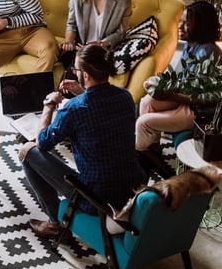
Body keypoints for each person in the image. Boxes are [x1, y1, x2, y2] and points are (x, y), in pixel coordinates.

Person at [18, 44, 146, 239]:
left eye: (76, 69)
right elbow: (100, 110)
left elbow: (42, 142)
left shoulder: (75, 109)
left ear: (85, 75)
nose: (74, 72)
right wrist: (81, 92)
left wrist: (49, 105)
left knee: (27, 150)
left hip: (96, 198)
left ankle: (55, 224)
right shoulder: (125, 97)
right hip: (130, 190)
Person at [135, 0, 222, 153]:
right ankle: (153, 151)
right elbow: (182, 80)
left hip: (199, 111)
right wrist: (163, 81)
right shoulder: (190, 45)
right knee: (146, 103)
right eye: (181, 21)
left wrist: (168, 94)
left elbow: (200, 98)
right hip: (185, 100)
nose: (180, 27)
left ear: (201, 25)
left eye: (186, 23)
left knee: (143, 123)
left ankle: (140, 158)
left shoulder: (208, 54)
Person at [59, 0, 132, 97]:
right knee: (66, 87)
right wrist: (68, 41)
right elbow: (71, 24)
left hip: (102, 52)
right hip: (81, 50)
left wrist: (100, 44)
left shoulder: (123, 0)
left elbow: (120, 33)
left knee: (86, 83)